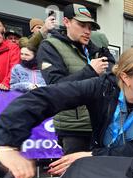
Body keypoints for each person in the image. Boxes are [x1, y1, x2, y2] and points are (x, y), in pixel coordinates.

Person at [0, 47, 133, 178]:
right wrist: (7, 145)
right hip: (103, 164)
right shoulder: (102, 87)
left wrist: (92, 155)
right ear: (126, 78)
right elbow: (45, 98)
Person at [37, 3, 115, 154]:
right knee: (76, 174)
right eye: (81, 25)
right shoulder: (50, 46)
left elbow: (113, 75)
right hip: (74, 128)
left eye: (90, 27)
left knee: (98, 173)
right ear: (66, 22)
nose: (87, 31)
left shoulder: (94, 49)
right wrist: (90, 71)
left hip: (100, 124)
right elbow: (55, 88)